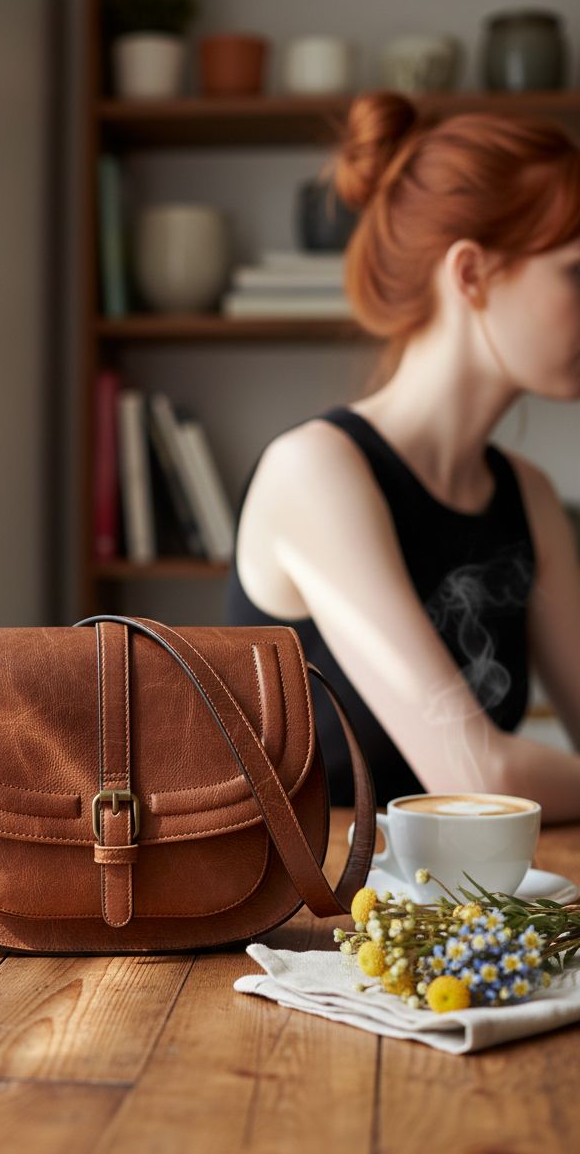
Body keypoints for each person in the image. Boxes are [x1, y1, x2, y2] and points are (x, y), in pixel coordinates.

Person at [224, 90, 580, 825]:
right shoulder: (315, 472)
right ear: (471, 274)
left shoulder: (529, 496)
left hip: (458, 909)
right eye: (575, 272)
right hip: (313, 918)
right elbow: (477, 774)